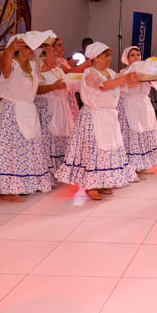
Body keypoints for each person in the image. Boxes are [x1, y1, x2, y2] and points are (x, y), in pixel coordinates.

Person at [56, 42, 138, 200]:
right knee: (92, 151)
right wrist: (124, 78)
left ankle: (103, 181)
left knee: (107, 150)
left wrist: (139, 79)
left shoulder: (109, 72)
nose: (110, 59)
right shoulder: (90, 72)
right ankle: (91, 185)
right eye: (106, 56)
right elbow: (104, 86)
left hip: (108, 116)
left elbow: (122, 84)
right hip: (94, 116)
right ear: (96, 57)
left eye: (109, 56)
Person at [0, 35, 53, 202]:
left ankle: (26, 183)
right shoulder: (12, 65)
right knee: (11, 150)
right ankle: (7, 189)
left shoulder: (33, 65)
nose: (33, 51)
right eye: (29, 47)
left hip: (28, 109)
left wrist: (48, 47)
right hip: (10, 111)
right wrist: (9, 50)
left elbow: (51, 64)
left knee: (28, 148)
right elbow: (4, 68)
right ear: (19, 50)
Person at [118, 46, 157, 174]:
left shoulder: (146, 71)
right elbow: (124, 87)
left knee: (145, 132)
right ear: (127, 58)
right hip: (129, 104)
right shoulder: (123, 72)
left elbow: (156, 82)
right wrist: (140, 79)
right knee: (131, 134)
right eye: (132, 55)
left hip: (144, 104)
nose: (136, 57)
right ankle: (130, 166)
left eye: (138, 55)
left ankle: (143, 163)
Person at [35, 42, 74, 175]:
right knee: (50, 136)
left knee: (63, 136)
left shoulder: (57, 69)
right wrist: (53, 87)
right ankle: (49, 168)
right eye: (50, 52)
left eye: (53, 52)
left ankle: (61, 167)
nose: (54, 56)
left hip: (62, 105)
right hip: (48, 106)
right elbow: (37, 89)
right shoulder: (39, 68)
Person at [52, 36, 80, 120]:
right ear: (52, 47)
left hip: (69, 90)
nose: (62, 47)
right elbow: (67, 72)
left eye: (63, 45)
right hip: (62, 90)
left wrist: (71, 65)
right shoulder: (55, 60)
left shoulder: (62, 60)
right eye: (59, 45)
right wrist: (84, 65)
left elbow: (70, 73)